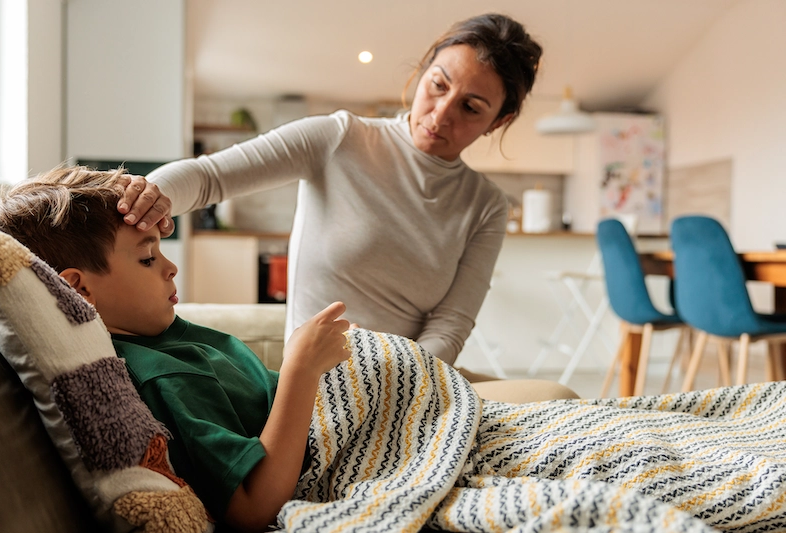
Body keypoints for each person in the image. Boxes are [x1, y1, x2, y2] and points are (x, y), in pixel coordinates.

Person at [119, 13, 543, 372]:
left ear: (497, 122)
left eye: (470, 108)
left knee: (555, 400)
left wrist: (403, 385)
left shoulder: (485, 205)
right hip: (317, 384)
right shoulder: (340, 138)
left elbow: (450, 326)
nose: (441, 113)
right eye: (438, 84)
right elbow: (208, 177)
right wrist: (149, 194)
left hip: (412, 379)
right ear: (424, 70)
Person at [0, 165, 351, 531]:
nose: (171, 267)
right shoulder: (161, 376)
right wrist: (301, 368)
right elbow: (253, 506)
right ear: (79, 291)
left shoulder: (161, 338)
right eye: (147, 259)